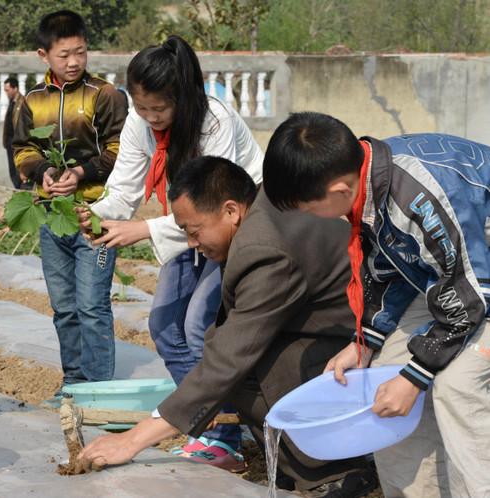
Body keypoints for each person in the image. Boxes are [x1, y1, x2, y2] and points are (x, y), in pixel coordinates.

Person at [80, 156, 376, 495]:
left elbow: (229, 359)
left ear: (231, 211)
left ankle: (335, 470)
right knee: (225, 350)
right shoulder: (258, 212)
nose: (191, 243)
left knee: (259, 368)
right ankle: (293, 462)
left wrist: (132, 440)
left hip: (362, 334)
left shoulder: (265, 249)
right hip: (326, 322)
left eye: (193, 231)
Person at [262, 112, 490, 498]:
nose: (307, 218)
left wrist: (416, 376)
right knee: (385, 380)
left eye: (307, 207)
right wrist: (365, 342)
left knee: (456, 386)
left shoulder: (419, 197)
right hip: (455, 278)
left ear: (337, 190)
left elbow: (469, 300)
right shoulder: (368, 179)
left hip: (476, 286)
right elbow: (392, 270)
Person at [78, 35, 263, 470]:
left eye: (158, 109)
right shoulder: (140, 123)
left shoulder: (214, 122)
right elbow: (123, 188)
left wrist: (142, 229)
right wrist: (96, 215)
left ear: (182, 98)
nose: (149, 118)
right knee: (164, 323)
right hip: (192, 228)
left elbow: (216, 210)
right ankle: (209, 426)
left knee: (201, 323)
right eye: (141, 108)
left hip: (239, 228)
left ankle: (225, 437)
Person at [13, 10, 128, 394]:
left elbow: (120, 152)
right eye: (64, 55)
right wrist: (43, 170)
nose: (74, 62)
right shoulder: (31, 101)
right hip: (50, 215)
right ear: (43, 55)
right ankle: (74, 383)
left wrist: (80, 173)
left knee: (92, 306)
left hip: (94, 215)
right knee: (64, 308)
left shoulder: (106, 95)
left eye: (80, 52)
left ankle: (97, 388)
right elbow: (22, 149)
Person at [2, 77, 27, 189]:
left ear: (15, 88)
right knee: (12, 169)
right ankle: (18, 189)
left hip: (17, 142)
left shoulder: (22, 102)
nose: (6, 93)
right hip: (10, 142)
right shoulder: (11, 102)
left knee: (19, 169)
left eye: (7, 90)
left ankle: (21, 189)